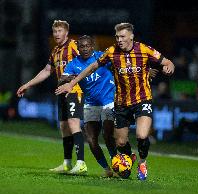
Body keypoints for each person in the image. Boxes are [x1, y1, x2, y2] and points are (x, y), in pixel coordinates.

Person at [55, 23, 175, 180]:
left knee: (138, 135)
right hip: (114, 103)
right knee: (113, 141)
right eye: (117, 37)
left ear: (131, 36)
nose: (119, 40)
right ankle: (116, 165)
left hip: (133, 99)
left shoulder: (143, 49)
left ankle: (141, 163)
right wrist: (70, 83)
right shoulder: (110, 53)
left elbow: (166, 62)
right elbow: (91, 68)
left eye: (122, 36)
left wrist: (167, 67)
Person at [16, 20, 87, 174]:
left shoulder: (75, 45)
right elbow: (47, 71)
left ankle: (81, 163)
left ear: (66, 33)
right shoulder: (55, 51)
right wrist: (28, 84)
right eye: (55, 32)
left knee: (74, 123)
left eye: (60, 31)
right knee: (63, 127)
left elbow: (89, 63)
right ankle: (67, 163)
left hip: (75, 90)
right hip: (61, 92)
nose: (56, 34)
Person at [61, 35, 117, 177]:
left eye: (87, 46)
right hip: (91, 104)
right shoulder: (74, 63)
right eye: (82, 46)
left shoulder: (102, 57)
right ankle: (107, 169)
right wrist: (69, 78)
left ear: (93, 46)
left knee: (107, 134)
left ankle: (117, 162)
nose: (85, 49)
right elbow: (63, 77)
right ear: (78, 48)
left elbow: (119, 65)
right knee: (91, 140)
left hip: (108, 101)